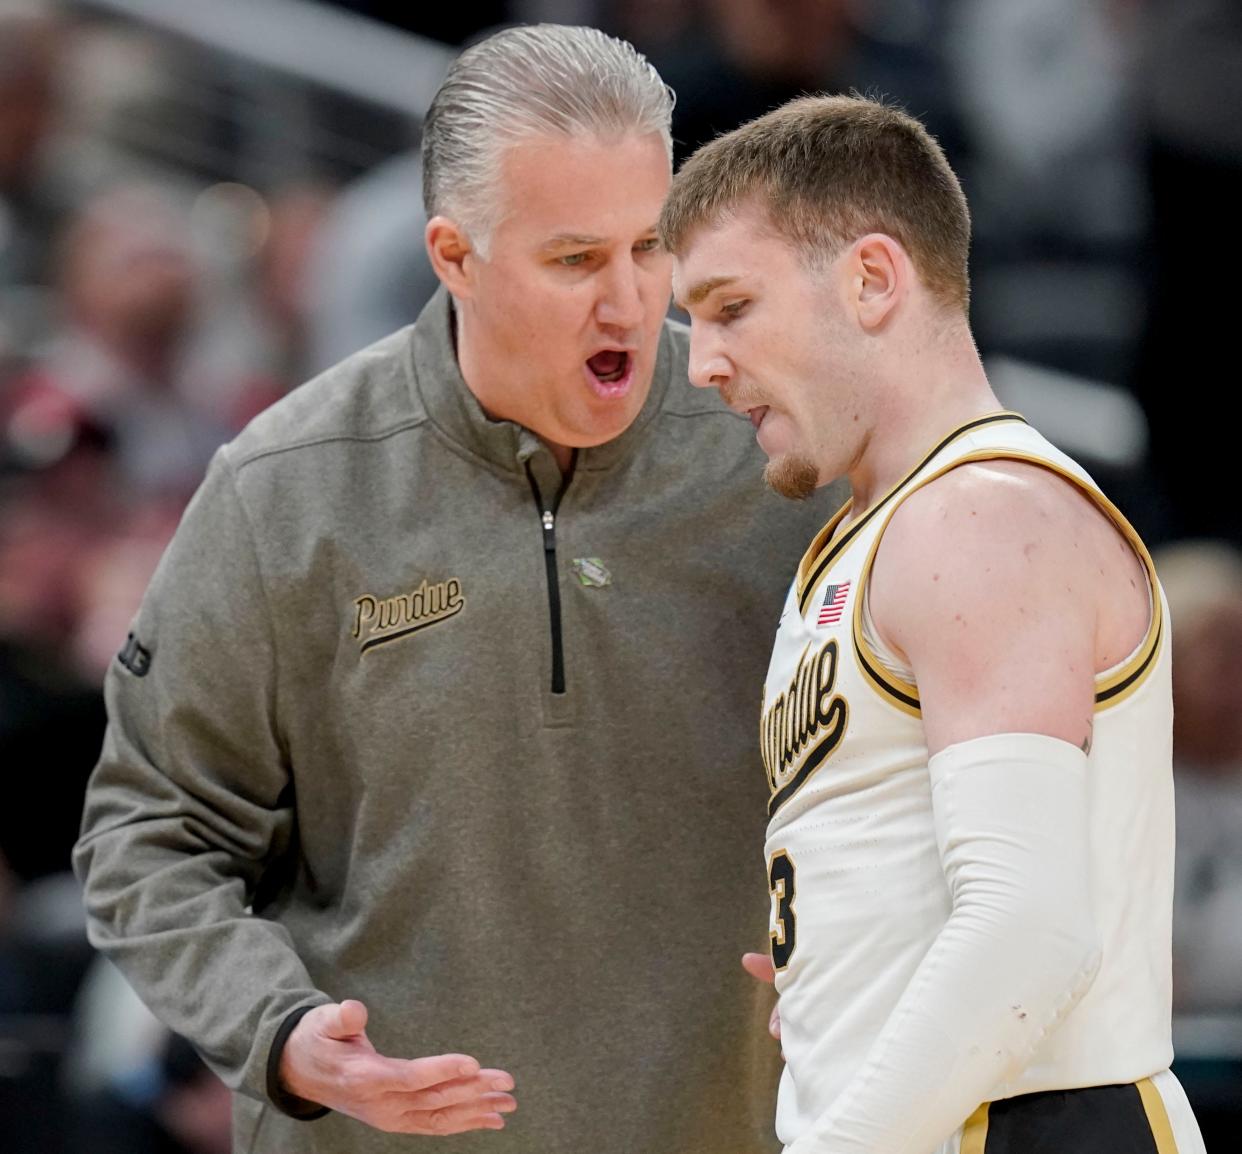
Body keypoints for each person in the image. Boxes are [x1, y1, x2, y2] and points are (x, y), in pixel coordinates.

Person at [73, 25, 844, 1154]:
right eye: (575, 259)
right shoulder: (284, 487)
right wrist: (279, 1031)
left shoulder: (788, 451)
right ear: (453, 254)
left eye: (650, 245)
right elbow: (148, 828)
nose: (629, 302)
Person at [660, 94, 1205, 1153]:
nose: (701, 363)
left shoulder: (978, 516)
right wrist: (842, 962)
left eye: (730, 308)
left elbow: (1028, 929)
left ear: (871, 279)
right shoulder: (874, 531)